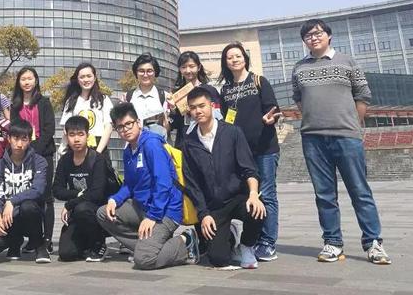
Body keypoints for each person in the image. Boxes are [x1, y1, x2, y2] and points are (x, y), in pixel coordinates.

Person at [293, 19, 391, 265]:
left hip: (347, 137)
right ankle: (333, 242)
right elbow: (299, 100)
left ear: (329, 35)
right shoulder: (299, 68)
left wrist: (353, 125)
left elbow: (363, 95)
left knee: (360, 191)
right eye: (308, 35)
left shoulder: (347, 62)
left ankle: (373, 243)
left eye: (318, 33)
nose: (313, 38)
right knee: (324, 194)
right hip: (313, 139)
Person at [96, 102, 197, 270]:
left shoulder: (151, 144)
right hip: (142, 207)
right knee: (103, 213)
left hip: (165, 211)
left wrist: (153, 216)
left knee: (144, 260)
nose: (125, 129)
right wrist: (114, 199)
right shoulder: (128, 151)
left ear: (138, 122)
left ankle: (186, 242)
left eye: (129, 124)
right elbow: (129, 184)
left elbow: (163, 183)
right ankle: (148, 245)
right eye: (120, 127)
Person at [182, 86, 266, 270]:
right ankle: (230, 236)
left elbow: (249, 168)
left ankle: (246, 246)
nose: (198, 111)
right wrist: (203, 214)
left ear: (212, 106)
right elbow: (192, 184)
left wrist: (253, 194)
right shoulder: (189, 143)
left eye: (202, 106)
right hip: (215, 206)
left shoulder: (232, 132)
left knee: (258, 208)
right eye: (193, 107)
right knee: (218, 259)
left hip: (237, 197)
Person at [218, 42, 282, 262]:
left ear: (245, 58)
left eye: (238, 56)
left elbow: (273, 109)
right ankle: (252, 239)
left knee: (267, 194)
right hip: (240, 153)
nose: (234, 60)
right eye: (229, 57)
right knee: (249, 195)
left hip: (264, 148)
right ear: (225, 63)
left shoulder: (259, 81)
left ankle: (268, 242)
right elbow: (226, 120)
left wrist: (270, 118)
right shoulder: (225, 90)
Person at [0, 119, 50, 263]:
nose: (19, 144)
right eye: (15, 138)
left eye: (24, 139)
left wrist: (11, 201)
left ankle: (39, 245)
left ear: (30, 140)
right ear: (8, 138)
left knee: (28, 206)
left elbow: (38, 190)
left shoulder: (39, 161)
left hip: (30, 214)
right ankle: (15, 242)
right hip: (9, 217)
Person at [10, 67, 56, 253]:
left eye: (30, 78)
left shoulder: (44, 102)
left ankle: (47, 239)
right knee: (27, 196)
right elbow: (14, 130)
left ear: (36, 80)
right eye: (23, 79)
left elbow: (49, 129)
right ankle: (33, 238)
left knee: (46, 197)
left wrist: (35, 149)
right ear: (19, 82)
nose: (27, 82)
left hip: (44, 154)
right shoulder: (15, 106)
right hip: (22, 156)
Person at [53, 115, 110, 262]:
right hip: (77, 209)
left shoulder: (97, 159)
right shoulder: (65, 160)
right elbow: (57, 190)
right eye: (72, 135)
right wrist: (78, 194)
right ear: (67, 137)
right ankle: (86, 244)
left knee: (82, 208)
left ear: (87, 136)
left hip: (96, 210)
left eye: (80, 134)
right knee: (66, 254)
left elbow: (97, 194)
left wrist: (70, 204)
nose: (76, 139)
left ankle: (98, 243)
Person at [59, 62, 114, 155]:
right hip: (76, 149)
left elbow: (108, 127)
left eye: (89, 76)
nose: (86, 80)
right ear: (77, 80)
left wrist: (98, 153)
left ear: (94, 78)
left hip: (98, 146)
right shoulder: (71, 101)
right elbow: (66, 127)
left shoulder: (104, 99)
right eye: (82, 77)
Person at [169, 51, 220, 148]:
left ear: (199, 67)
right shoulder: (176, 94)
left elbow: (218, 117)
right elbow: (174, 124)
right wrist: (173, 109)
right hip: (184, 142)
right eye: (184, 67)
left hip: (207, 141)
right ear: (179, 69)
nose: (188, 70)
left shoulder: (210, 90)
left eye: (191, 66)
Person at [124, 53, 169, 138]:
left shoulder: (165, 96)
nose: (145, 75)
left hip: (157, 143)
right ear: (136, 73)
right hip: (134, 144)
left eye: (149, 71)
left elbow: (168, 126)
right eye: (141, 71)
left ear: (155, 73)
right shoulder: (127, 97)